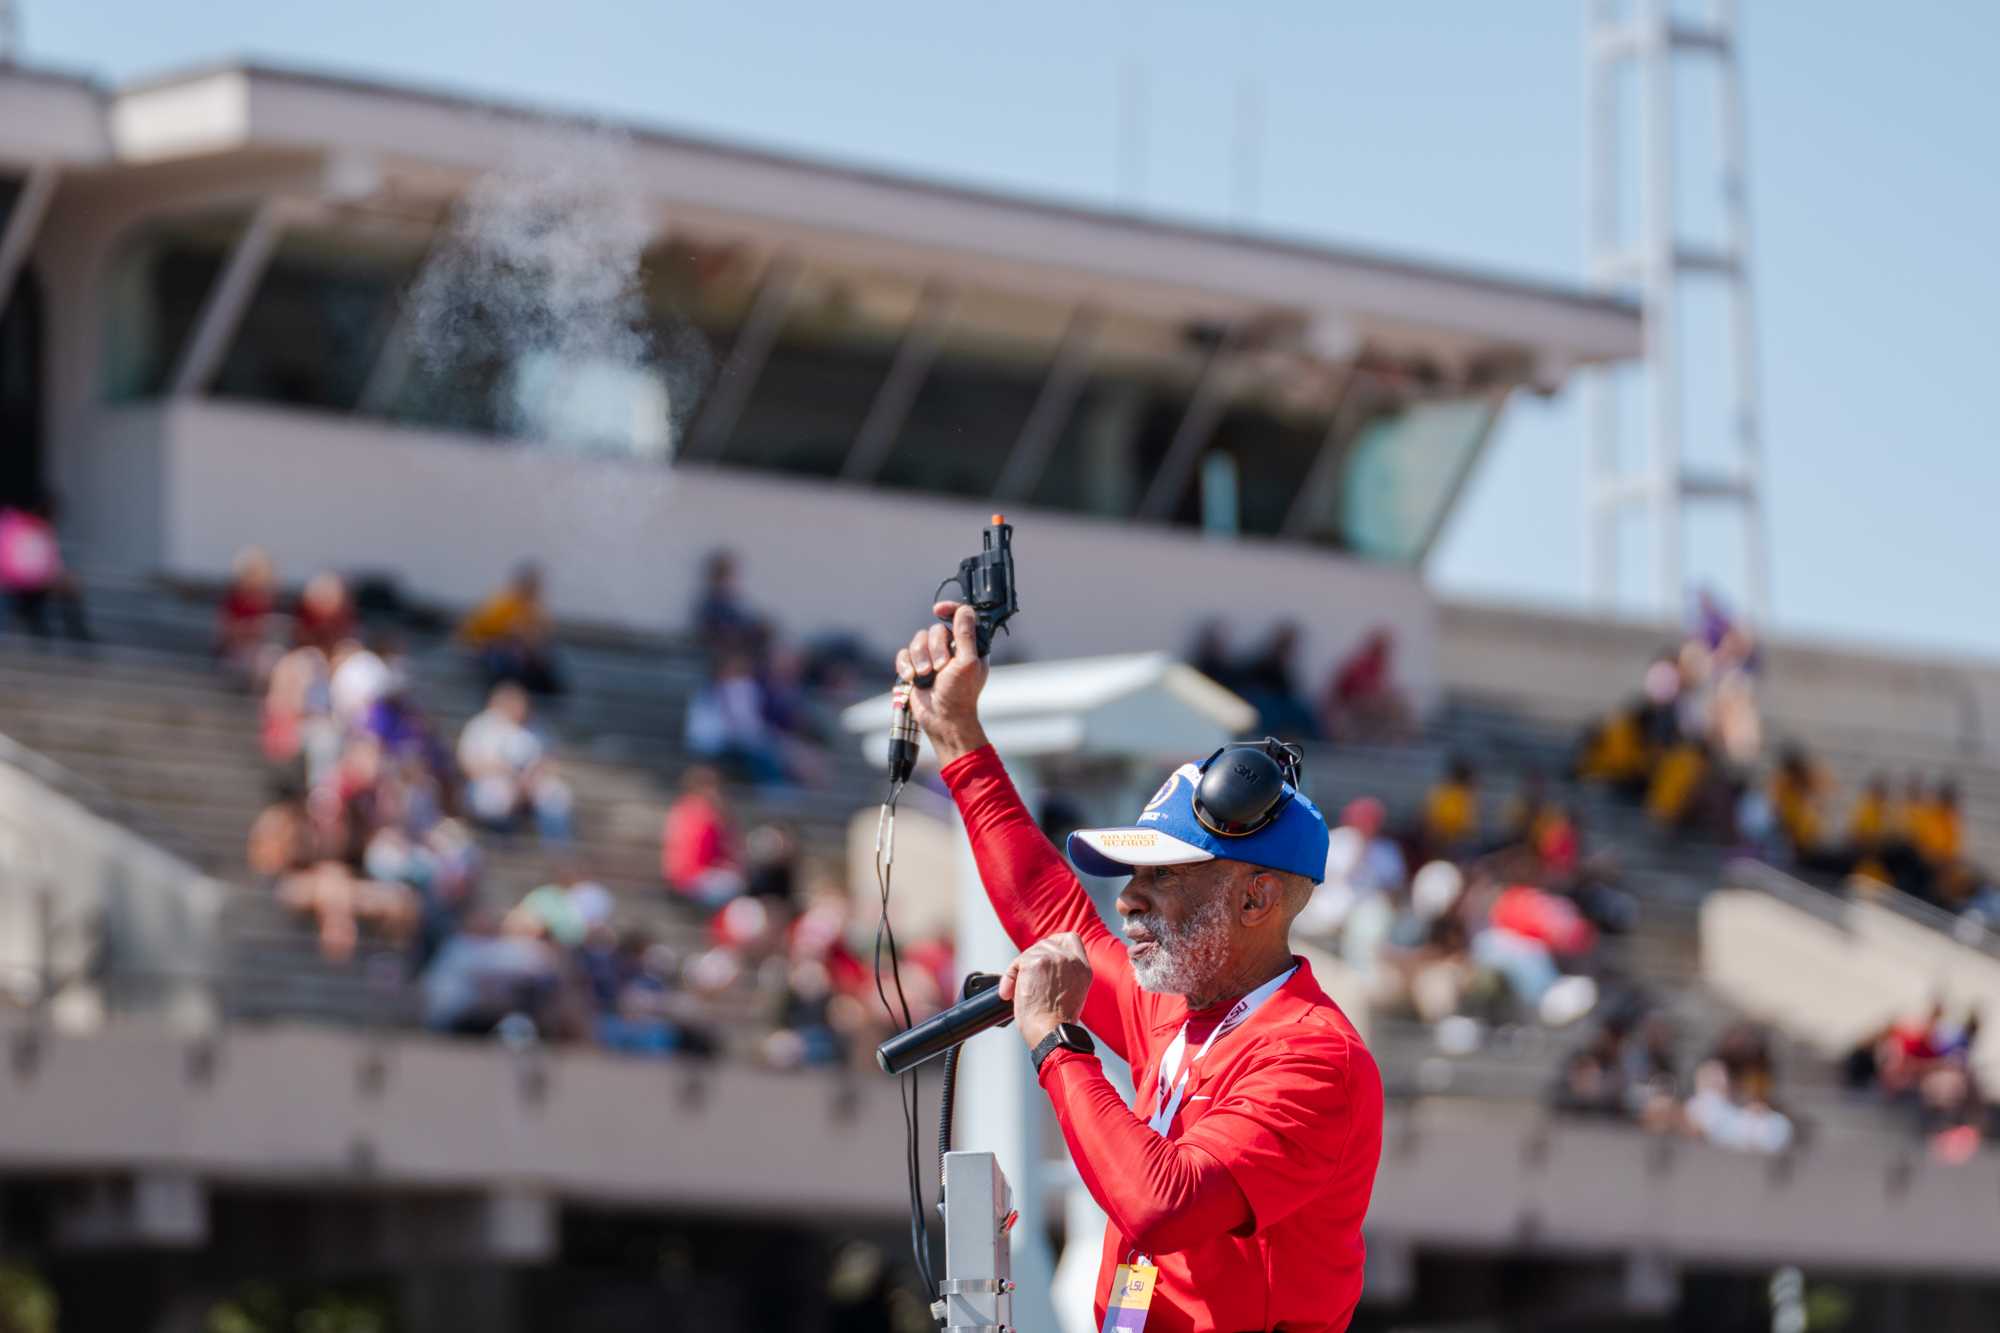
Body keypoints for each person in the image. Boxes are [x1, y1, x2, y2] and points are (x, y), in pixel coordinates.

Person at [898, 600, 1382, 1333]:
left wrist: (1057, 1043)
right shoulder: (1184, 1003)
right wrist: (958, 735)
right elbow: (1047, 906)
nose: (1127, 901)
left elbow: (1165, 1205)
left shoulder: (1314, 1057)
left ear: (1257, 896)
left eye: (1163, 876)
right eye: (1131, 875)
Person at [456, 682, 573, 842]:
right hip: (490, 783)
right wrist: (506, 775)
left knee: (556, 794)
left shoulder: (536, 726)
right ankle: (501, 841)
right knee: (496, 796)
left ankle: (558, 848)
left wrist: (529, 780)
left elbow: (550, 760)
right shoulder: (481, 726)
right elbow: (468, 764)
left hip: (530, 783)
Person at [458, 562, 564, 696]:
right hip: (490, 652)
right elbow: (476, 636)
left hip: (520, 655)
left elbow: (543, 634)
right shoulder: (500, 604)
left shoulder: (534, 607)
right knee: (507, 659)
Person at [0, 494, 91, 643]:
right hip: (18, 584)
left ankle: (75, 634)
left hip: (33, 584)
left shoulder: (38, 529)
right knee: (67, 587)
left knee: (71, 585)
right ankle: (73, 633)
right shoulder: (19, 527)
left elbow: (50, 563)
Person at [661, 765, 745, 909]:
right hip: (691, 878)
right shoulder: (704, 813)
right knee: (737, 883)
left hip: (684, 877)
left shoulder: (681, 808)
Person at [216, 546, 283, 686]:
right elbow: (226, 634)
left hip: (261, 651)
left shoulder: (266, 601)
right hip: (236, 655)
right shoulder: (233, 602)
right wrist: (250, 629)